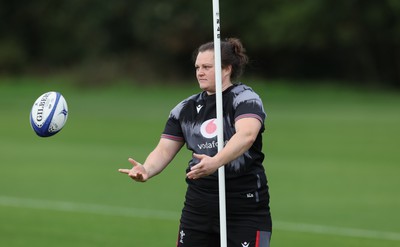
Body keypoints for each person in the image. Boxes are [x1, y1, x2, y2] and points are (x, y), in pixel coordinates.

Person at [118, 38, 272, 247]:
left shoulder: (245, 98)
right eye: (197, 67)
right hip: (199, 206)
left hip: (243, 205)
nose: (200, 72)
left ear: (226, 69)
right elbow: (164, 149)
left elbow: (246, 136)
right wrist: (147, 169)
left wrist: (216, 161)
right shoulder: (185, 109)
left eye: (207, 67)